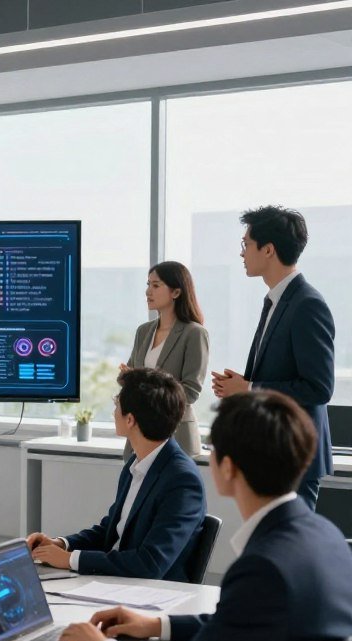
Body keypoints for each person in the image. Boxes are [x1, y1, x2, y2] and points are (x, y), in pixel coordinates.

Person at [53, 390, 352, 641]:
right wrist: (157, 625)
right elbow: (244, 624)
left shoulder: (265, 566)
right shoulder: (326, 537)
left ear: (226, 468)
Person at [27, 368, 206, 581]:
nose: (113, 413)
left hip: (150, 594)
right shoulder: (136, 463)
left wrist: (70, 560)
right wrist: (61, 544)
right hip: (115, 583)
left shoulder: (182, 480)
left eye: (116, 405)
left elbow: (150, 564)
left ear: (130, 419)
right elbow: (110, 530)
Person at [211, 205, 334, 510]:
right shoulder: (277, 300)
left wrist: (250, 389)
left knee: (289, 551)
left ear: (268, 250)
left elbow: (319, 388)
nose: (242, 254)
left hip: (295, 457)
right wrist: (243, 386)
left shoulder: (307, 305)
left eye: (246, 245)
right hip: (274, 454)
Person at [122, 261, 208, 457]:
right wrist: (128, 377)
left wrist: (144, 384)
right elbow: (130, 376)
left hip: (176, 434)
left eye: (155, 285)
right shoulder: (143, 331)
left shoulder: (194, 333)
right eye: (147, 284)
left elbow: (191, 391)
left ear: (176, 292)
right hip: (140, 433)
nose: (147, 291)